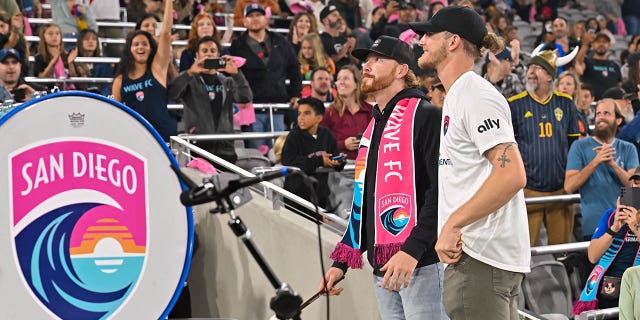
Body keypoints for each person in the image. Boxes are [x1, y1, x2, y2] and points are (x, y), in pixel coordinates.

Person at [410, 6, 531, 319]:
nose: (420, 41)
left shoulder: (474, 94)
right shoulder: (458, 95)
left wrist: (453, 223)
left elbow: (512, 174)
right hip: (481, 260)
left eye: (428, 35)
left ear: (452, 42)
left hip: (480, 259)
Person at [319, 35, 446, 319]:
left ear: (402, 70)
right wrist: (341, 262)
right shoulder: (374, 126)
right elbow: (367, 198)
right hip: (382, 268)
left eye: (378, 60)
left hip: (420, 264)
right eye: (366, 60)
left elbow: (441, 192)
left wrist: (411, 251)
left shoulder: (425, 116)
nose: (367, 66)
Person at [508, 48, 581, 246]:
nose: (531, 71)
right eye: (530, 67)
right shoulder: (515, 104)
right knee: (524, 251)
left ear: (550, 76)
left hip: (560, 191)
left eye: (538, 68)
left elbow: (574, 145)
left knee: (562, 250)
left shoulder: (565, 103)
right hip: (528, 191)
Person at [168, 36, 253, 164]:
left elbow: (245, 97)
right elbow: (172, 93)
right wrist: (189, 73)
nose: (209, 53)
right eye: (204, 50)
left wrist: (236, 74)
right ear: (197, 55)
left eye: (213, 51)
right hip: (198, 148)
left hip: (225, 149)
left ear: (218, 54)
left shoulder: (227, 81)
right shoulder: (190, 80)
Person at [565, 98, 639, 241]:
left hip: (626, 226)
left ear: (618, 120)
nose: (600, 117)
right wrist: (596, 161)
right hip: (594, 226)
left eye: (606, 113)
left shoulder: (628, 148)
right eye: (598, 113)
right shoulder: (579, 146)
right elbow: (569, 186)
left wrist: (612, 164)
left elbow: (634, 187)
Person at [229, 3, 301, 147]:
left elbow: (294, 68)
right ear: (244, 21)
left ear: (266, 18)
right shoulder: (237, 46)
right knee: (256, 155)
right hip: (251, 108)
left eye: (258, 15)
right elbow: (232, 76)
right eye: (250, 16)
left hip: (278, 107)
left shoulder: (281, 41)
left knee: (280, 153)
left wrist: (295, 94)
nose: (255, 19)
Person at [573, 168, 640, 315]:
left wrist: (636, 227)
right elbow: (593, 256)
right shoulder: (611, 216)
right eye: (636, 182)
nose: (638, 187)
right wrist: (614, 228)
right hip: (607, 291)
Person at [112, 0, 177, 143]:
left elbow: (165, 32)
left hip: (162, 138)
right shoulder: (119, 80)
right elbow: (116, 114)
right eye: (136, 44)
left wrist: (168, 3)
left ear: (151, 48)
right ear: (129, 49)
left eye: (144, 44)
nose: (140, 47)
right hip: (135, 139)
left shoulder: (157, 69)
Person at [281, 97, 344, 208]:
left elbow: (333, 155)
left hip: (320, 198)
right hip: (296, 199)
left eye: (306, 113)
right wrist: (319, 160)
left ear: (319, 118)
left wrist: (339, 162)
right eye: (299, 113)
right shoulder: (293, 136)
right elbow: (288, 161)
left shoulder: (326, 134)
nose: (301, 118)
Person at [321, 64, 372, 160]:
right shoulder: (329, 112)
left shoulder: (370, 111)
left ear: (356, 84)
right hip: (339, 166)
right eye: (339, 78)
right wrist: (343, 144)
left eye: (346, 78)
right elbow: (322, 144)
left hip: (367, 164)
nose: (341, 82)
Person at [575, 31, 622, 100]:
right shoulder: (587, 62)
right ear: (593, 45)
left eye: (604, 42)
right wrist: (585, 45)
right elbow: (577, 63)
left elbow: (619, 86)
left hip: (611, 104)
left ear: (609, 45)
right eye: (598, 41)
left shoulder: (615, 66)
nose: (601, 44)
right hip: (591, 103)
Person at [33, 23, 79, 90]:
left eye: (57, 33)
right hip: (49, 93)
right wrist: (54, 60)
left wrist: (70, 63)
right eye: (50, 34)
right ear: (43, 37)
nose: (54, 36)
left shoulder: (67, 56)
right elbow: (42, 78)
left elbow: (74, 79)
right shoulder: (39, 57)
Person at [72, 29, 114, 95]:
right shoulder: (75, 62)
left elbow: (107, 86)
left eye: (94, 39)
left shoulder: (104, 63)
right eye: (87, 39)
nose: (91, 42)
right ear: (80, 42)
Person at [318, 4, 357, 71]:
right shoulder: (319, 40)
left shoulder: (345, 40)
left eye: (339, 15)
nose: (339, 18)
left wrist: (351, 50)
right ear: (325, 21)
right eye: (334, 15)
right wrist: (342, 53)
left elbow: (356, 64)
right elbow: (323, 65)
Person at [557, 71, 589, 137]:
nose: (564, 87)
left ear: (575, 88)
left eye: (568, 84)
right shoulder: (552, 108)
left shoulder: (580, 111)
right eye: (561, 84)